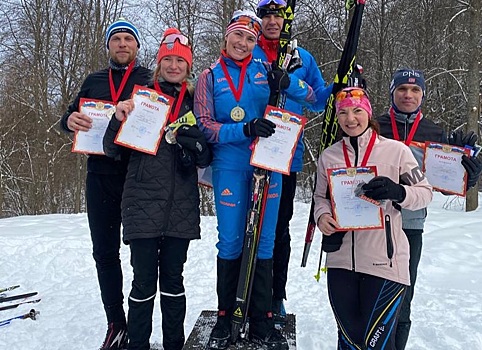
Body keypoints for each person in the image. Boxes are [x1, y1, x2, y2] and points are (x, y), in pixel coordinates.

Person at [194, 9, 317, 350]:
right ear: (226, 36)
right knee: (231, 240)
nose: (243, 43)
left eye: (250, 38)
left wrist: (288, 81)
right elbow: (205, 123)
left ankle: (262, 318)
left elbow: (313, 97)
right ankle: (225, 315)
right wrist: (244, 129)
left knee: (265, 241)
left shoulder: (266, 70)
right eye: (238, 36)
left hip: (268, 165)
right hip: (230, 165)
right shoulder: (209, 76)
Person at [102, 28, 211, 350]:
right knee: (143, 280)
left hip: (181, 206)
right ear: (159, 63)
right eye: (168, 60)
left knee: (174, 280)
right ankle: (138, 343)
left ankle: (174, 343)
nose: (174, 66)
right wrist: (117, 118)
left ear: (188, 67)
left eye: (180, 61)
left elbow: (208, 155)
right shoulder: (140, 98)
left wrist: (200, 148)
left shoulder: (196, 102)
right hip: (141, 203)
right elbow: (112, 149)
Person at [313, 87, 433, 349]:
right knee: (348, 341)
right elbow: (320, 198)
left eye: (357, 110)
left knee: (375, 344)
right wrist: (322, 217)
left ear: (368, 112)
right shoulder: (329, 156)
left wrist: (399, 191)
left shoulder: (396, 151)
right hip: (340, 262)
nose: (350, 118)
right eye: (342, 112)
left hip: (385, 263)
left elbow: (425, 193)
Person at [60, 18, 151, 350]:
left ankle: (139, 322)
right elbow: (68, 118)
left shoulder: (148, 80)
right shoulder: (93, 81)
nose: (123, 44)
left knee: (142, 252)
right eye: (117, 39)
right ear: (109, 46)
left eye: (129, 39)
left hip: (138, 177)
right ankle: (116, 322)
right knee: (104, 253)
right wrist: (68, 121)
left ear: (138, 47)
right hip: (100, 176)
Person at [376, 68, 482, 349]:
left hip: (411, 224)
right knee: (373, 293)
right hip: (373, 222)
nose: (408, 95)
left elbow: (443, 182)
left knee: (403, 294)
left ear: (423, 95)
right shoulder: (375, 126)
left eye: (415, 90)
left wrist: (467, 176)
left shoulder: (435, 132)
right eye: (402, 89)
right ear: (392, 93)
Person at [254, 0, 333, 321]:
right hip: (249, 152)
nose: (272, 21)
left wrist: (339, 83)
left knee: (279, 229)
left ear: (287, 19)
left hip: (286, 157)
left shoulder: (303, 58)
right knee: (248, 228)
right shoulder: (249, 50)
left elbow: (318, 100)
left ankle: (276, 295)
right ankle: (242, 293)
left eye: (278, 15)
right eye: (266, 15)